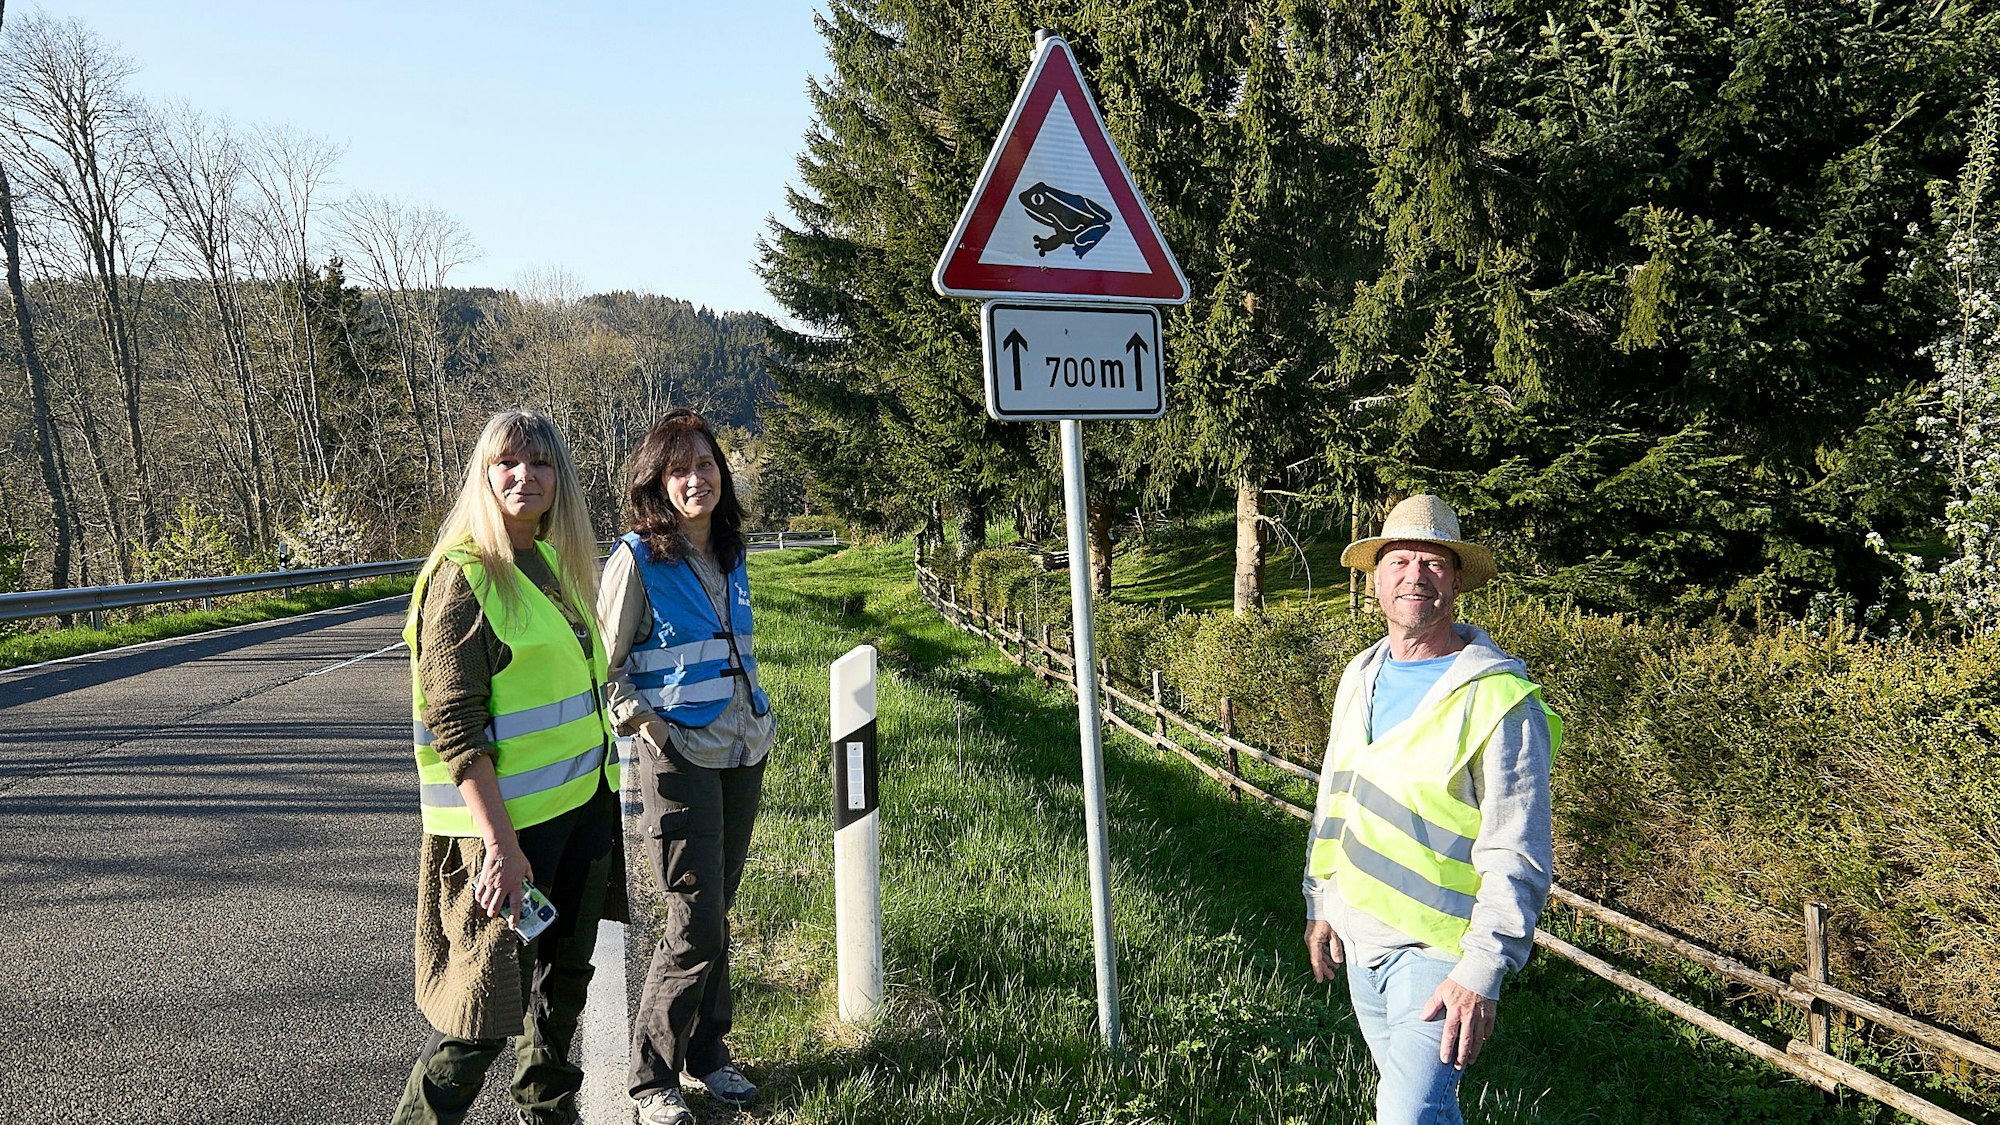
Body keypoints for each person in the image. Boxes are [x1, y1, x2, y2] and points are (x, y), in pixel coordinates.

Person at [391, 409, 623, 1125]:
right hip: (510, 836)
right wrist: (502, 847)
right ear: (484, 476)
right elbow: (455, 726)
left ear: (562, 479)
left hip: (582, 813)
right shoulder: (463, 578)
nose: (526, 476)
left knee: (562, 992)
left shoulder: (550, 564)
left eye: (541, 463)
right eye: (508, 464)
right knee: (483, 1013)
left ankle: (549, 1113)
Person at [1302, 494, 1560, 1125]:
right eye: (1399, 561)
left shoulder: (1501, 701)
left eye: (1433, 563)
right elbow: (1337, 798)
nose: (1414, 576)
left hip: (1440, 956)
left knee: (1407, 1116)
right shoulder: (1360, 675)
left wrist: (1482, 970)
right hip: (1361, 943)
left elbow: (1517, 849)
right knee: (1425, 1114)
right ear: (1375, 579)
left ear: (1457, 581)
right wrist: (1322, 903)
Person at [598, 410, 774, 1125]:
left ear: (721, 473)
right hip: (677, 758)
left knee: (715, 911)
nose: (695, 479)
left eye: (705, 464)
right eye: (679, 470)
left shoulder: (731, 550)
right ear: (657, 482)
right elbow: (604, 671)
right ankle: (651, 1076)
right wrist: (650, 723)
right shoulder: (637, 558)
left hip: (741, 747)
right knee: (695, 914)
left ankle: (709, 1053)